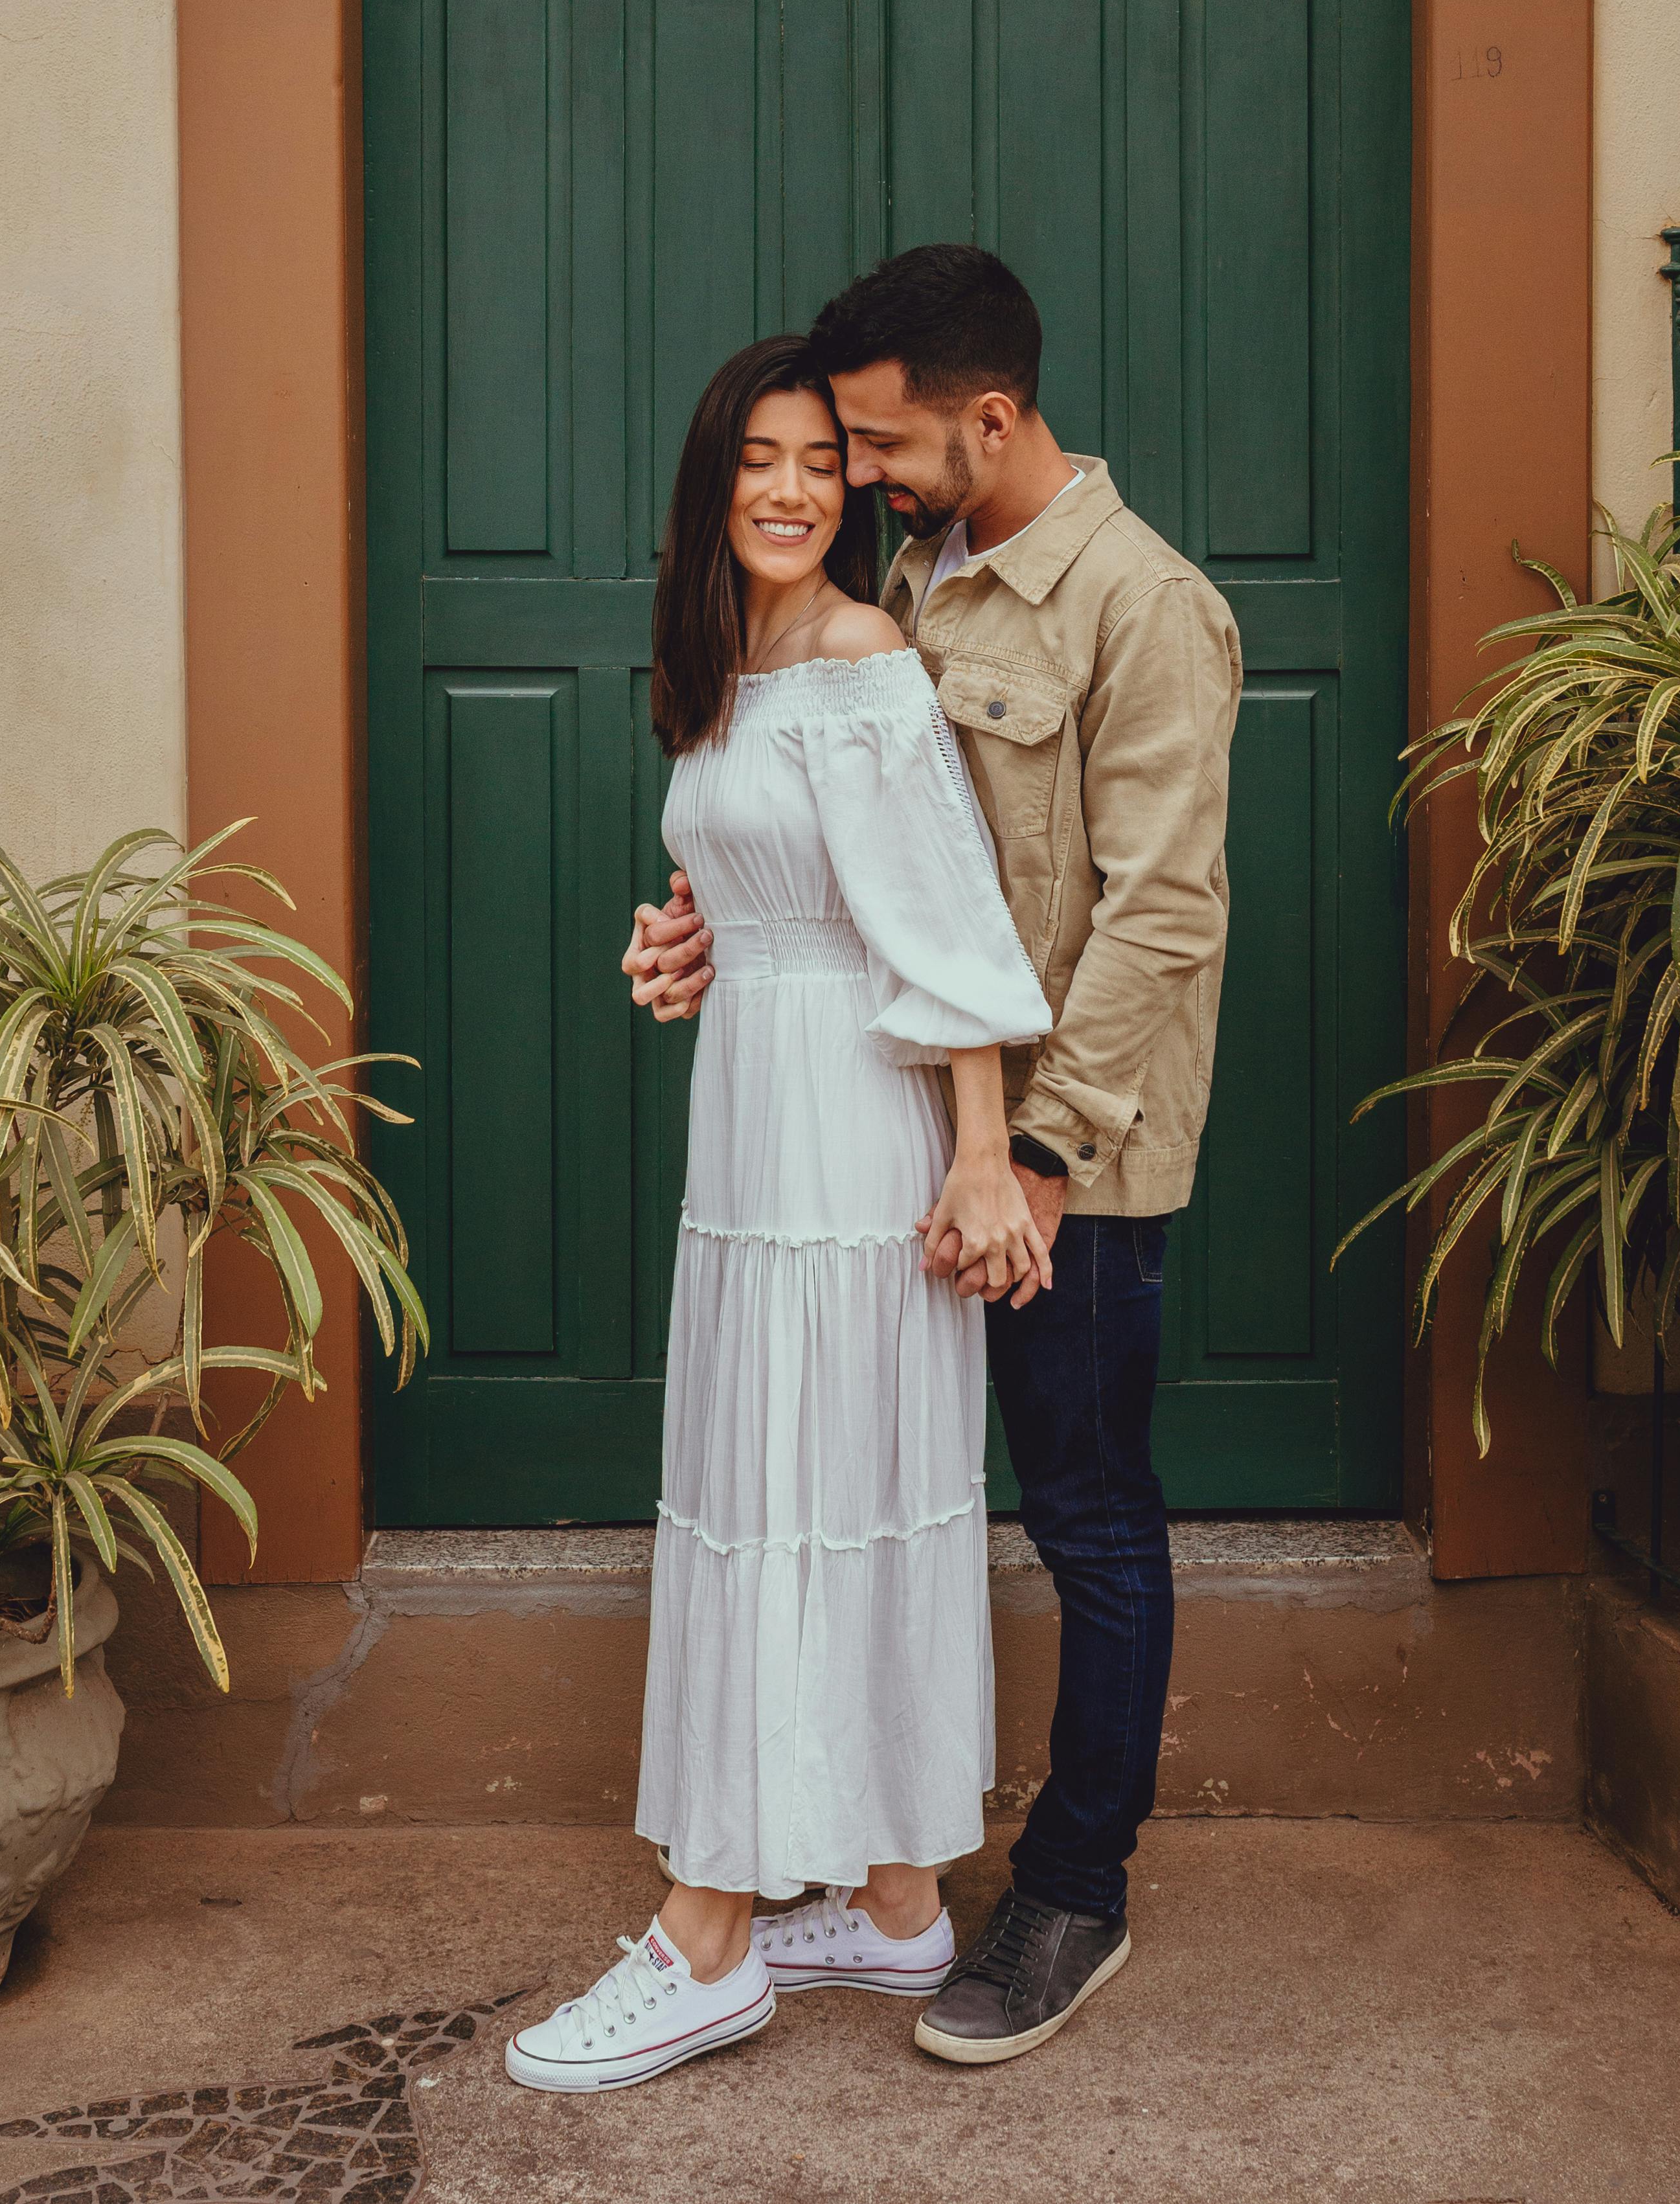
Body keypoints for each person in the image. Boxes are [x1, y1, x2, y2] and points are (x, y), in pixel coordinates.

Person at [631, 247, 1241, 2067]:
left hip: (1074, 1148)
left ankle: (1071, 1884)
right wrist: (718, 926)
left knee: (1086, 1510)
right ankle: (888, 1889)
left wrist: (1034, 1155)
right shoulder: (917, 574)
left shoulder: (1148, 607)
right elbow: (876, 861)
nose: (859, 473)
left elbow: (1162, 913)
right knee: (885, 1488)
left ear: (989, 416)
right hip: (903, 1131)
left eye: (884, 441)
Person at [504, 333, 1054, 2096]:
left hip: (853, 1134)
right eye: (762, 455)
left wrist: (980, 1155)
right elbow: (771, 884)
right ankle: (896, 1900)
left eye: (823, 457)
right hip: (754, 1113)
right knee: (799, 1486)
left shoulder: (867, 654)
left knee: (801, 1492)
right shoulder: (725, 663)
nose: (795, 485)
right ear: (714, 476)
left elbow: (946, 922)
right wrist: (693, 943)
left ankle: (709, 1934)